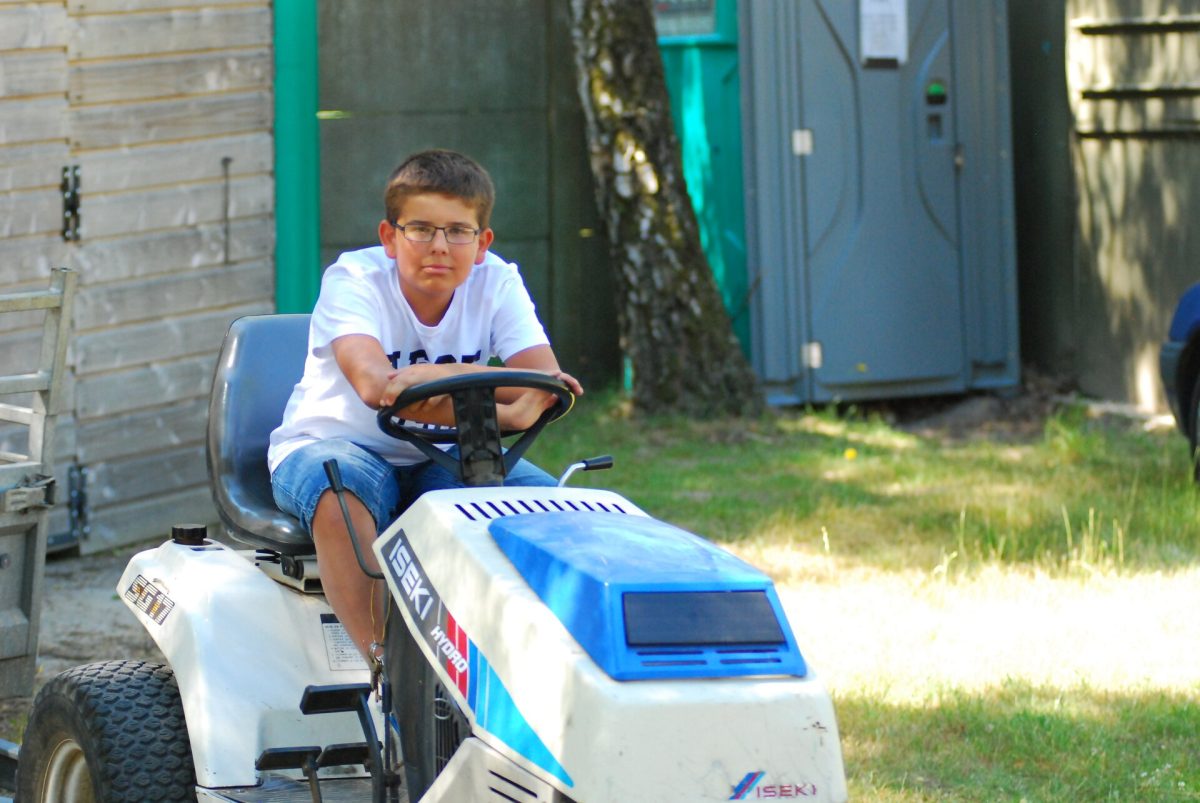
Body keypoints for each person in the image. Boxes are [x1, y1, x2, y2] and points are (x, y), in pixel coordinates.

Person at [268, 149, 582, 661]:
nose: (439, 246)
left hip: (446, 454)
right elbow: (379, 390)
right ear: (390, 237)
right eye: (420, 229)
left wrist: (437, 376)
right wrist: (504, 408)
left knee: (557, 515)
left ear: (482, 244)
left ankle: (533, 667)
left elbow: (545, 384)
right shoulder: (353, 280)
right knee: (338, 492)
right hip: (336, 445)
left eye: (457, 231)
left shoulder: (497, 280)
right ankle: (385, 671)